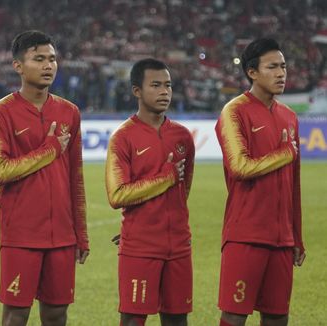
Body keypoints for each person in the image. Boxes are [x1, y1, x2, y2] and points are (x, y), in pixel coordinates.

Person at [0, 30, 89, 326]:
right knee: (16, 315)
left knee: (57, 315)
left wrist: (80, 232)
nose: (48, 65)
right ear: (18, 66)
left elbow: (75, 177)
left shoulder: (69, 112)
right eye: (39, 59)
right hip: (21, 234)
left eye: (52, 59)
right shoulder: (1, 113)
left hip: (62, 235)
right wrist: (51, 148)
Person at [215, 38, 305, 326]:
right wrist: (284, 153)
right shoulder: (234, 111)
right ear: (252, 72)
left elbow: (294, 184)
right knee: (234, 315)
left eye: (283, 66)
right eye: (272, 67)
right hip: (245, 235)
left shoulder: (289, 117)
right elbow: (240, 166)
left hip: (282, 239)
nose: (281, 73)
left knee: (278, 316)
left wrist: (296, 236)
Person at [106, 58, 195, 326]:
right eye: (155, 85)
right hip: (140, 247)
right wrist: (165, 178)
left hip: (179, 245)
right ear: (137, 91)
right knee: (133, 320)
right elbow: (117, 195)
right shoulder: (123, 137)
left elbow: (183, 189)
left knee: (177, 320)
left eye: (168, 85)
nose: (164, 91)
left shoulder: (182, 137)